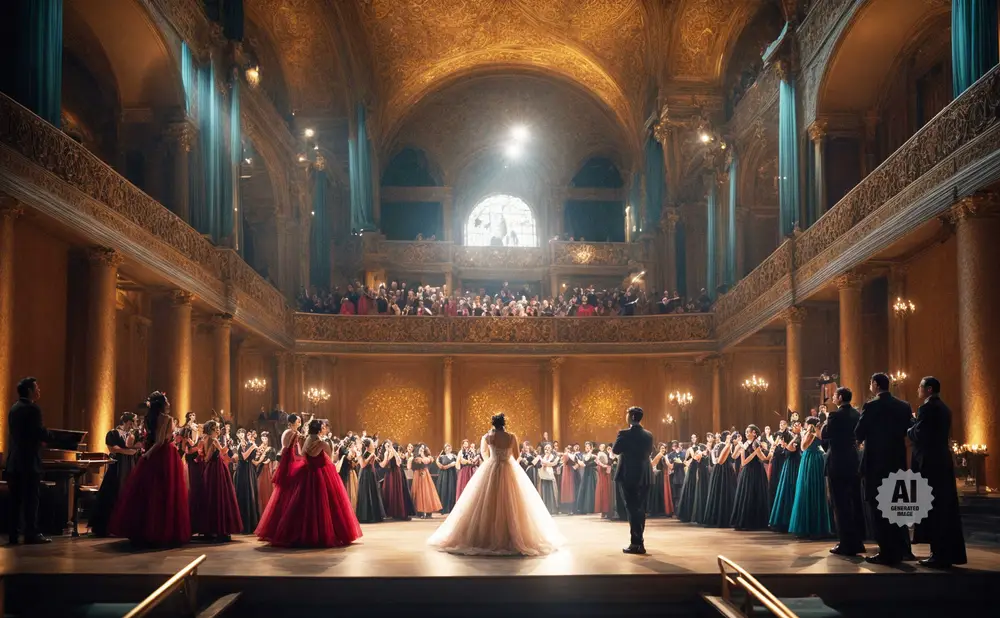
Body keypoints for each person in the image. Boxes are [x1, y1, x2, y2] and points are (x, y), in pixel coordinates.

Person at [428, 413, 564, 556]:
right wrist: (505, 457)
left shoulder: (488, 437)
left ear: (493, 424)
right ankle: (510, 535)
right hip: (508, 467)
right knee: (511, 501)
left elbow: (483, 453)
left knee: (487, 501)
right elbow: (517, 456)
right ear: (504, 423)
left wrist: (493, 459)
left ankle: (483, 537)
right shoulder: (511, 437)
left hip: (491, 468)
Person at [257, 420, 362, 548]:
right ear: (319, 430)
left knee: (303, 505)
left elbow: (302, 454)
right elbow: (329, 456)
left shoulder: (307, 440)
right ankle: (323, 534)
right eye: (323, 428)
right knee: (325, 505)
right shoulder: (322, 443)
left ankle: (302, 533)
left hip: (306, 473)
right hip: (321, 473)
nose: (324, 429)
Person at [110, 392, 191, 546]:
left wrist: (146, 453)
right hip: (164, 455)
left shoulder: (149, 419)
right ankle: (162, 531)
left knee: (149, 492)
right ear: (162, 404)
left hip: (152, 454)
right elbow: (161, 441)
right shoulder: (167, 419)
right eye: (166, 400)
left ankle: (145, 530)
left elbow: (151, 438)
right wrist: (148, 454)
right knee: (165, 493)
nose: (169, 402)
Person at [909, 377, 967, 568]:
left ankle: (938, 554)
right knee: (944, 507)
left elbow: (920, 433)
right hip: (942, 461)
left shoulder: (927, 408)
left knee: (933, 508)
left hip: (930, 463)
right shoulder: (944, 408)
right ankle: (946, 553)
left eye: (920, 387)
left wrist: (910, 428)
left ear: (929, 389)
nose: (918, 389)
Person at [856, 373, 913, 565]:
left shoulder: (871, 406)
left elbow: (859, 432)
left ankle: (886, 552)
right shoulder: (904, 406)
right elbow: (909, 431)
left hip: (875, 464)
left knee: (878, 509)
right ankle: (901, 549)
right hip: (896, 462)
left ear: (875, 385)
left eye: (871, 384)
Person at [6, 377, 51, 544]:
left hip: (14, 461)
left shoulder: (14, 408)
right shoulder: (33, 409)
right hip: (29, 462)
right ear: (30, 391)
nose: (39, 390)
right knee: (31, 500)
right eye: (37, 388)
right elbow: (39, 433)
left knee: (15, 501)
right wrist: (49, 436)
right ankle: (31, 533)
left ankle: (13, 535)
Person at [823, 387, 866, 556]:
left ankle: (846, 544)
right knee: (854, 502)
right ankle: (858, 542)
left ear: (840, 397)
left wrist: (826, 424)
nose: (833, 398)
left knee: (840, 504)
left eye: (834, 395)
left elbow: (825, 436)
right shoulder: (857, 414)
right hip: (853, 460)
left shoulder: (834, 415)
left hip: (838, 462)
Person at [611, 406, 654, 555]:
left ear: (631, 417)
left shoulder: (624, 433)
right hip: (645, 475)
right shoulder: (648, 435)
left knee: (632, 509)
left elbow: (615, 450)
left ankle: (636, 543)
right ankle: (639, 541)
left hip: (629, 475)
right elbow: (649, 452)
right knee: (640, 509)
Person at [90, 412, 140, 537]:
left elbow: (136, 449)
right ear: (127, 421)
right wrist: (128, 451)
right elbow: (113, 449)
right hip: (117, 466)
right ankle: (107, 526)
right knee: (113, 492)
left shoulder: (131, 435)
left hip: (130, 466)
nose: (135, 423)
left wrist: (130, 451)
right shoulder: (113, 433)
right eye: (134, 421)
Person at [788, 417, 832, 538]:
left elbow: (803, 447)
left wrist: (805, 434)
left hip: (810, 460)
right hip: (815, 459)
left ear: (809, 424)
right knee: (814, 488)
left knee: (807, 488)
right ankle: (817, 527)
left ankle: (808, 527)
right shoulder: (818, 431)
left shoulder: (811, 432)